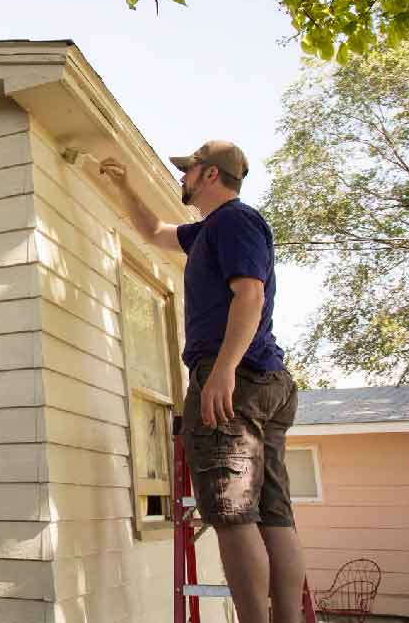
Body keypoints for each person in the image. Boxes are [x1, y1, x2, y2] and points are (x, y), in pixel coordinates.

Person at [100, 141, 304, 623]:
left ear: (209, 174)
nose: (182, 178)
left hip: (237, 381)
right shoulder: (210, 230)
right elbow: (153, 232)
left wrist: (224, 370)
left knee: (234, 519)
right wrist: (125, 184)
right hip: (264, 383)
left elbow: (249, 294)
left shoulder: (235, 221)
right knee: (274, 517)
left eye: (187, 170)